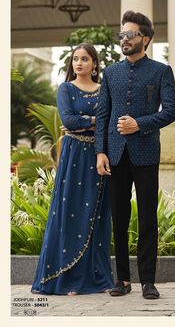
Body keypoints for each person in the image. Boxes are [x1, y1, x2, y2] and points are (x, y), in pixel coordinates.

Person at [95, 11, 175, 299]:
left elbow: (172, 111)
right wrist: (100, 152)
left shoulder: (160, 71)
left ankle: (147, 281)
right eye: (122, 35)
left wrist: (139, 124)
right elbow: (103, 114)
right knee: (118, 218)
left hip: (146, 153)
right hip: (115, 155)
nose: (124, 39)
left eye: (130, 34)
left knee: (147, 218)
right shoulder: (110, 72)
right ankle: (122, 280)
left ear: (145, 38)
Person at [31, 43, 114, 295]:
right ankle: (65, 279)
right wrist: (95, 121)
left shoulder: (104, 90)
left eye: (84, 59)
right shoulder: (66, 89)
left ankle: (94, 278)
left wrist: (86, 123)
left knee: (97, 214)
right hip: (73, 155)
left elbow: (108, 121)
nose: (78, 63)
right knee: (70, 212)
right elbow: (68, 120)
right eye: (75, 59)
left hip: (99, 155)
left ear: (95, 64)